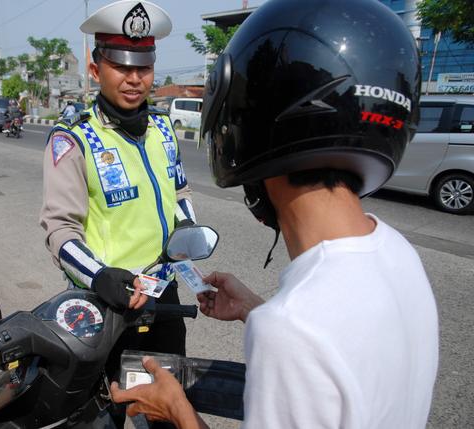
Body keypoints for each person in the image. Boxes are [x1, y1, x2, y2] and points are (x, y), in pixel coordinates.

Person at [110, 0, 440, 427]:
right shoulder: (397, 251)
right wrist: (255, 309)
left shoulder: (290, 330)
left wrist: (177, 412)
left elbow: (306, 340)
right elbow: (347, 357)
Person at [39, 1, 196, 427]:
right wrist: (100, 277)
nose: (134, 78)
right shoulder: (73, 141)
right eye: (121, 65)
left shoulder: (163, 129)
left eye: (143, 66)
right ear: (96, 71)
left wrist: (187, 229)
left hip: (162, 298)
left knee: (165, 413)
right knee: (100, 417)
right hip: (103, 304)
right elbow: (59, 228)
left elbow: (177, 191)